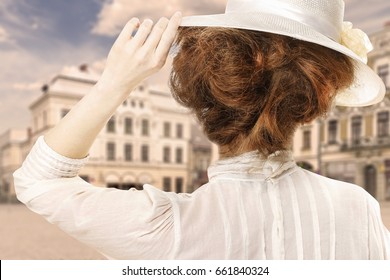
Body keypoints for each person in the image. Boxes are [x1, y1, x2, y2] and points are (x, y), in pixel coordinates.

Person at [13, 0, 389, 259]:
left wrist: (115, 82)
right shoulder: (361, 211)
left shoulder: (162, 228)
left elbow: (39, 183)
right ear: (318, 100)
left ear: (202, 95)